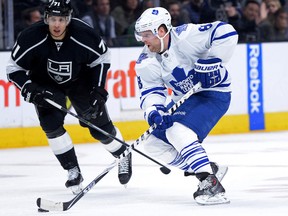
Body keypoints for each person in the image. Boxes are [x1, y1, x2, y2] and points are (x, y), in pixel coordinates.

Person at [6, 0, 132, 195]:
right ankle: (72, 170)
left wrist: (98, 88)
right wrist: (28, 87)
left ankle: (122, 153)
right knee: (50, 124)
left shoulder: (84, 34)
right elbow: (13, 69)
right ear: (46, 18)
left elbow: (102, 58)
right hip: (45, 85)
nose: (57, 25)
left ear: (69, 19)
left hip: (81, 81)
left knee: (98, 128)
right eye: (53, 19)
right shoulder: (30, 37)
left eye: (62, 19)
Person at [134, 7, 238, 205]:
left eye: (147, 35)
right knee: (153, 144)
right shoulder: (146, 60)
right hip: (186, 98)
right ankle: (207, 168)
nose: (143, 41)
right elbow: (151, 91)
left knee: (176, 130)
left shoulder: (187, 36)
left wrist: (214, 60)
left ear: (161, 31)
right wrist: (154, 111)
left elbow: (226, 32)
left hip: (214, 94)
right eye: (141, 36)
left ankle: (210, 184)